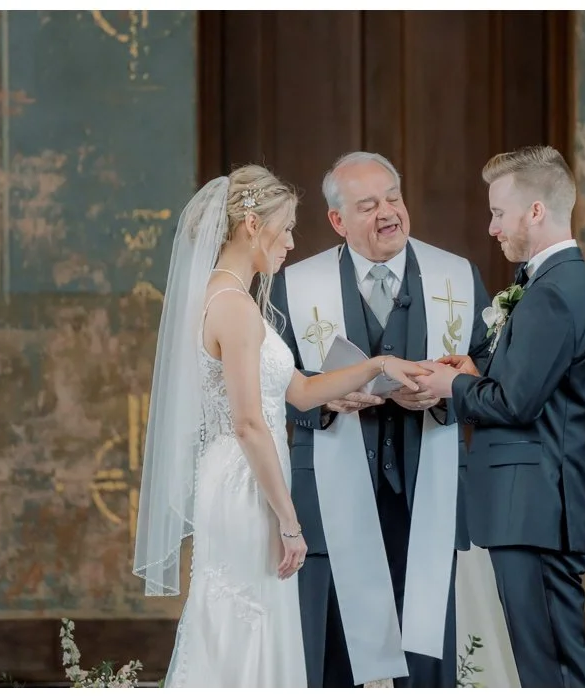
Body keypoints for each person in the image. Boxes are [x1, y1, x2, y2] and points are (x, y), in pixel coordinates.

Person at [132, 164, 428, 687]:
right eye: (286, 228)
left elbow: (301, 391)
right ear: (253, 225)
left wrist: (379, 365)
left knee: (253, 619)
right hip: (247, 481)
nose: (291, 242)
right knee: (249, 621)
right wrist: (291, 523)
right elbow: (249, 423)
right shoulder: (234, 308)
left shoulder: (232, 299)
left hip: (247, 475)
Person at [272, 151, 500, 687]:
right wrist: (323, 399)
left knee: (427, 654)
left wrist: (445, 394)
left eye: (393, 198)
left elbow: (489, 370)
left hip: (427, 488)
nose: (388, 213)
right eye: (368, 205)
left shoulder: (456, 277)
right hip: (328, 492)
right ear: (338, 220)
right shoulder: (296, 286)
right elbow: (264, 387)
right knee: (332, 657)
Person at [416, 144, 585, 688]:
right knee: (542, 665)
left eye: (499, 212)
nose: (492, 227)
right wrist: (478, 370)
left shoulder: (555, 292)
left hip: (537, 509)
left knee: (549, 671)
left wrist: (451, 386)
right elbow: (532, 386)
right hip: (535, 508)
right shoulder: (553, 283)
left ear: (536, 211)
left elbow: (515, 404)